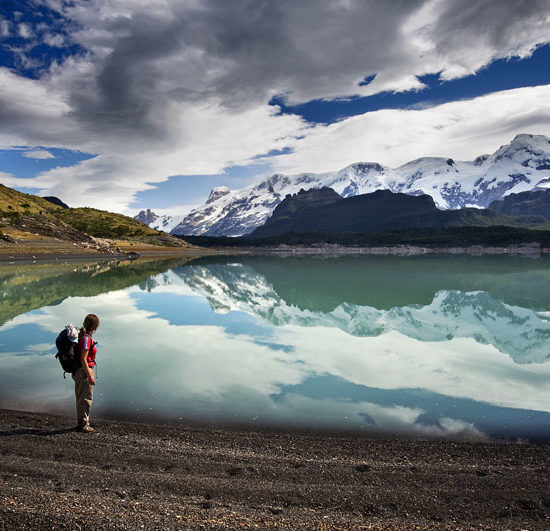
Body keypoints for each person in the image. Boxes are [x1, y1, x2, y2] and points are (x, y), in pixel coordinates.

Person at [72, 313, 99, 433]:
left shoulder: (82, 335)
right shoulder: (86, 339)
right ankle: (83, 424)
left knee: (81, 397)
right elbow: (84, 359)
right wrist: (90, 376)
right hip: (84, 371)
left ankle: (82, 421)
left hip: (79, 370)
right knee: (86, 398)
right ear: (95, 327)